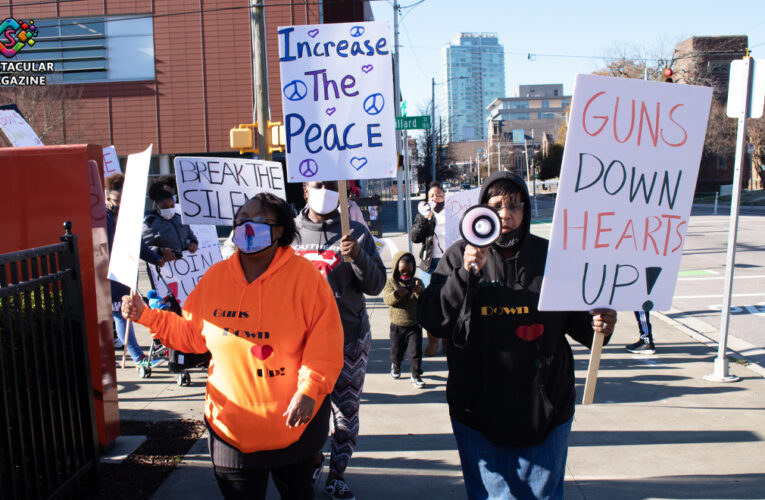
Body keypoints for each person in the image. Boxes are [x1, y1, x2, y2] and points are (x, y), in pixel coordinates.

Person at [122, 193, 344, 499]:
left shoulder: (306, 278)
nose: (246, 227)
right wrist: (146, 315)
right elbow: (191, 336)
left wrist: (311, 390)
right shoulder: (215, 278)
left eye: (257, 221)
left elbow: (325, 343)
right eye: (240, 221)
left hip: (295, 426)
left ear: (280, 230)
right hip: (231, 428)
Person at [418, 171, 616, 500]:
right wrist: (464, 275)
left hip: (545, 412)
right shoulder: (458, 255)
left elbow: (584, 327)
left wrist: (602, 323)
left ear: (526, 210)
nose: (505, 214)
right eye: (496, 205)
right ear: (481, 210)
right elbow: (434, 320)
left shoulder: (552, 258)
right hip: (477, 413)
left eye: (514, 205)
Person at [293, 180, 386, 500]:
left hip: (348, 340)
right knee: (304, 411)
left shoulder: (357, 232)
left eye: (333, 186)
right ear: (305, 190)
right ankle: (313, 459)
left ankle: (338, 473)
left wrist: (358, 255)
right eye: (319, 185)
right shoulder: (288, 234)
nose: (325, 191)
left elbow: (376, 286)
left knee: (345, 413)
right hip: (299, 346)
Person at [104, 173, 165, 369]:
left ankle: (135, 356)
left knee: (122, 314)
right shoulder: (101, 218)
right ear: (107, 198)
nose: (119, 205)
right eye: (115, 200)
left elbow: (137, 245)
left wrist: (156, 258)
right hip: (110, 274)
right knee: (121, 314)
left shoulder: (126, 217)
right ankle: (138, 357)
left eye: (122, 200)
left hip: (124, 274)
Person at [410, 181, 446, 356]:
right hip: (429, 264)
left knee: (450, 302)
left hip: (450, 263)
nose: (436, 198)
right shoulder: (423, 213)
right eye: (432, 195)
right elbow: (415, 237)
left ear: (445, 196)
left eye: (439, 194)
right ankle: (433, 340)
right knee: (429, 304)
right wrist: (425, 219)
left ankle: (447, 339)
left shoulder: (453, 212)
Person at [383, 251, 426, 388]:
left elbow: (424, 299)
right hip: (397, 324)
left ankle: (416, 375)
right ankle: (396, 364)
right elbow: (387, 299)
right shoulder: (391, 282)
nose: (406, 273)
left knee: (415, 352)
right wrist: (397, 294)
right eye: (403, 270)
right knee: (397, 350)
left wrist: (420, 292)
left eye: (409, 270)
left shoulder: (417, 282)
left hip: (414, 323)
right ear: (396, 268)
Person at [142, 181, 198, 264]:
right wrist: (161, 251)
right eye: (164, 207)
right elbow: (143, 248)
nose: (169, 209)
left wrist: (194, 243)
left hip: (186, 264)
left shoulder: (179, 218)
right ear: (157, 206)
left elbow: (191, 235)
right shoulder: (150, 223)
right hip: (164, 269)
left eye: (172, 206)